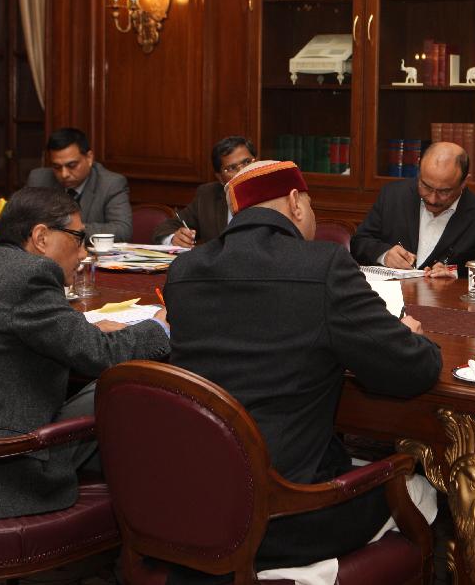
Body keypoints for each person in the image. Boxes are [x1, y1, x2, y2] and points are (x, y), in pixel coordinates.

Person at [164, 160, 442, 580]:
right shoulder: (323, 265)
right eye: (311, 204)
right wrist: (409, 337)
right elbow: (413, 370)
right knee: (420, 488)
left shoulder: (184, 270)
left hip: (195, 504)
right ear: (295, 202)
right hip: (284, 515)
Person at [0, 186, 170, 520]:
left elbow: (16, 328)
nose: (83, 253)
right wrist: (160, 326)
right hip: (0, 468)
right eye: (78, 238)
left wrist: (85, 327)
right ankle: (154, 521)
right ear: (41, 237)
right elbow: (102, 355)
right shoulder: (29, 277)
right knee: (126, 383)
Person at [351, 141, 475, 278]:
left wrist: (454, 275)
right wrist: (385, 255)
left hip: (447, 300)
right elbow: (359, 242)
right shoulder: (393, 196)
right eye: (425, 186)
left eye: (444, 191)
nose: (432, 199)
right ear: (419, 171)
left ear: (464, 182)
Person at [26, 127, 132, 241]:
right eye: (57, 167)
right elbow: (22, 222)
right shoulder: (39, 179)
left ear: (89, 158)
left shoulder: (110, 184)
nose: (64, 174)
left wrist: (68, 230)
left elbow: (122, 230)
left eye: (72, 165)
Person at [151, 135, 256, 247]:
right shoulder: (208, 195)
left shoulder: (270, 193)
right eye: (231, 168)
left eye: (247, 162)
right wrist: (174, 238)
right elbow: (166, 227)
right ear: (220, 178)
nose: (242, 171)